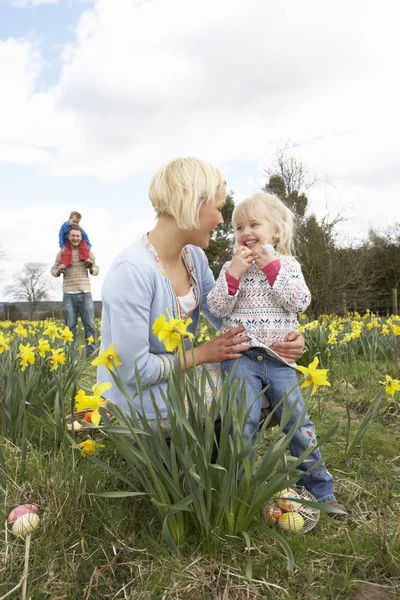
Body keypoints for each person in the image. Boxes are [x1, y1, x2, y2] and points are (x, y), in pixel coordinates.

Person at [98, 157, 304, 423]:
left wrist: (283, 338)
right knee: (255, 389)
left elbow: (229, 314)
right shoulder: (132, 271)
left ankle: (214, 452)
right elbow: (132, 371)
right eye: (218, 208)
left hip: (174, 377)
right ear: (191, 204)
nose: (221, 220)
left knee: (270, 374)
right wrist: (203, 354)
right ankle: (186, 450)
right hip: (134, 396)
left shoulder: (193, 257)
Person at [207, 192, 345, 512]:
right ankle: (239, 493)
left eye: (255, 224)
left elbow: (298, 302)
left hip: (280, 360)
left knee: (298, 423)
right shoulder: (231, 267)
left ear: (277, 232)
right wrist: (232, 276)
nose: (246, 232)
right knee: (241, 424)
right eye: (239, 227)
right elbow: (217, 307)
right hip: (241, 357)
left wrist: (273, 269)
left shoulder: (288, 265)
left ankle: (320, 491)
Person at [51, 225, 99, 356]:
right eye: (73, 236)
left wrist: (91, 268)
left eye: (78, 236)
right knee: (70, 327)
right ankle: (71, 356)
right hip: (68, 294)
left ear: (81, 237)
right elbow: (53, 271)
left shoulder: (88, 252)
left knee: (90, 325)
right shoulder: (62, 252)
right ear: (68, 237)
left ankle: (91, 353)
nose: (75, 238)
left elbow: (96, 269)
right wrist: (59, 269)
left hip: (85, 292)